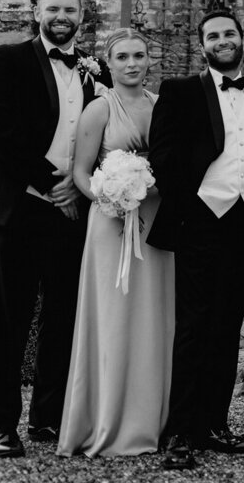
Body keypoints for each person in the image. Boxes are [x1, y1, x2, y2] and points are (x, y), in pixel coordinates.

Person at [147, 10, 244, 470]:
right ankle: (180, 432)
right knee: (194, 326)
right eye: (213, 36)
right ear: (202, 45)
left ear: (242, 39)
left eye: (229, 33)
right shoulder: (180, 90)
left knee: (228, 328)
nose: (222, 41)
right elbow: (162, 156)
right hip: (199, 221)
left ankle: (213, 424)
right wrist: (190, 209)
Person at [0, 0, 111, 458]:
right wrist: (51, 183)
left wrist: (80, 185)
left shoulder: (96, 70)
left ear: (81, 15)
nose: (61, 15)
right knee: (11, 320)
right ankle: (3, 426)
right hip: (22, 209)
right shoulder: (8, 60)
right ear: (38, 11)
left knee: (63, 317)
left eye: (69, 9)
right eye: (53, 7)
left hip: (73, 212)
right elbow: (5, 133)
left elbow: (107, 135)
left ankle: (48, 418)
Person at [58, 29, 173, 457]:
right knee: (114, 316)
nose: (131, 63)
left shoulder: (163, 106)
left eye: (139, 55)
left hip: (155, 224)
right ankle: (106, 419)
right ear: (109, 62)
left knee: (152, 319)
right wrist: (110, 196)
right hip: (109, 223)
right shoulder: (98, 110)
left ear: (149, 60)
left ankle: (151, 420)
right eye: (122, 56)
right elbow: (82, 173)